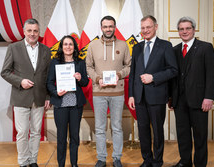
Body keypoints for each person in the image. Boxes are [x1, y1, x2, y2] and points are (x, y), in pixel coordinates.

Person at [128, 15, 178, 167]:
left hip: (157, 96)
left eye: (148, 27)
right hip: (139, 97)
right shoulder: (136, 47)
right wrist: (131, 95)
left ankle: (157, 161)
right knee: (143, 131)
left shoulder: (165, 46)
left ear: (155, 27)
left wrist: (154, 77)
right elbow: (132, 74)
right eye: (143, 28)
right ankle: (147, 159)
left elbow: (173, 70)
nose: (145, 30)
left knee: (157, 131)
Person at [0, 18, 51, 167]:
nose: (32, 34)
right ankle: (23, 162)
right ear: (24, 32)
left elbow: (47, 76)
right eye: (29, 30)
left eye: (35, 31)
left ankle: (33, 160)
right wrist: (20, 81)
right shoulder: (14, 48)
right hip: (20, 97)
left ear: (38, 32)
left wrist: (48, 96)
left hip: (39, 97)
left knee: (36, 132)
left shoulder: (46, 50)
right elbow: (5, 72)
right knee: (22, 133)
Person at [168, 16, 214, 167]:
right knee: (183, 135)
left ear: (193, 30)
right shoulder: (174, 50)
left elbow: (211, 74)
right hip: (179, 101)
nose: (184, 31)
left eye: (188, 28)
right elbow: (172, 76)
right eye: (181, 29)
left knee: (200, 136)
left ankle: (200, 164)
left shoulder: (205, 47)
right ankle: (185, 162)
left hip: (199, 100)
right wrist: (171, 97)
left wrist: (209, 97)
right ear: (178, 31)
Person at [86, 15, 131, 167]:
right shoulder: (92, 46)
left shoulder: (123, 45)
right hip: (99, 93)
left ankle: (117, 157)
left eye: (110, 26)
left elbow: (129, 66)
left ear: (114, 27)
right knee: (100, 127)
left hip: (117, 93)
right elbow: (88, 67)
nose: (108, 29)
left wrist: (119, 75)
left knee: (117, 126)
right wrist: (97, 78)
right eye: (105, 26)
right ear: (101, 28)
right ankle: (102, 158)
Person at [47, 35, 89, 167]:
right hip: (61, 104)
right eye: (65, 44)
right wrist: (55, 92)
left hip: (76, 105)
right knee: (61, 137)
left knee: (75, 137)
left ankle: (74, 164)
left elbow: (85, 82)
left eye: (70, 44)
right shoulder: (55, 62)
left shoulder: (80, 62)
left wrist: (80, 78)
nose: (68, 47)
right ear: (61, 47)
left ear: (74, 47)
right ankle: (61, 164)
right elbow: (49, 82)